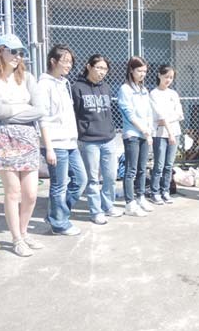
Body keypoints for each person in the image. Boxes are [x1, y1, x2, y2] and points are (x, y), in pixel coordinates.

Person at [0, 34, 45, 257]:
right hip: (2, 140)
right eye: (13, 51)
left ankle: (25, 233)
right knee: (13, 192)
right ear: (0, 51)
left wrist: (11, 111)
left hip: (28, 139)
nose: (18, 56)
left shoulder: (27, 77)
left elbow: (40, 109)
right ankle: (17, 238)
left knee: (31, 194)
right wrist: (23, 110)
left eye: (21, 52)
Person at [38, 44, 86, 236]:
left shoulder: (63, 83)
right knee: (59, 185)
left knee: (80, 180)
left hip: (70, 142)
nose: (69, 65)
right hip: (55, 143)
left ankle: (55, 214)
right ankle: (59, 223)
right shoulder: (44, 85)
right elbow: (42, 118)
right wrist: (48, 148)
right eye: (65, 61)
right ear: (53, 61)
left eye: (70, 62)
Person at [72, 54, 122, 225]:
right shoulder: (77, 87)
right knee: (93, 179)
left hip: (108, 138)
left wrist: (111, 131)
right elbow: (75, 114)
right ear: (88, 66)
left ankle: (108, 206)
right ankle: (96, 211)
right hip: (89, 140)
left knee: (110, 176)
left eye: (105, 69)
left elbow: (108, 113)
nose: (102, 72)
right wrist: (81, 133)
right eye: (99, 68)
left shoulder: (106, 88)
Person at [117, 56, 154, 216]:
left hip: (145, 134)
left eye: (145, 71)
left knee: (142, 169)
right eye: (139, 71)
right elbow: (128, 113)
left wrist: (149, 130)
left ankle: (140, 197)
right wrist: (143, 130)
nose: (142, 74)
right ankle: (129, 203)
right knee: (131, 170)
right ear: (131, 70)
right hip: (132, 134)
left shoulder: (144, 90)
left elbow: (148, 112)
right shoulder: (125, 89)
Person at [149, 65, 184, 205]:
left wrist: (165, 121)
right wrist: (167, 124)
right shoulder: (153, 94)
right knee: (159, 165)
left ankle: (166, 191)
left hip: (175, 133)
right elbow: (159, 116)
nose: (168, 80)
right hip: (160, 134)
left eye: (171, 77)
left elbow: (180, 114)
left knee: (169, 165)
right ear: (159, 75)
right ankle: (155, 192)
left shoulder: (173, 94)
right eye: (166, 77)